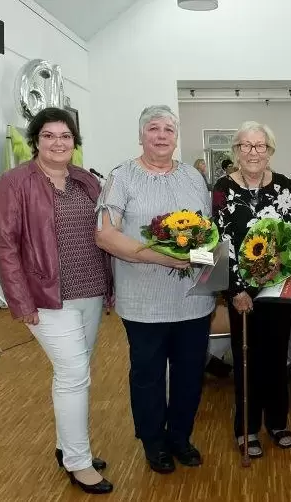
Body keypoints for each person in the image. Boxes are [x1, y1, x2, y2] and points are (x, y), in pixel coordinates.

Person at [0, 107, 113, 494]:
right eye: (48, 135)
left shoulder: (87, 181)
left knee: (76, 373)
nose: (58, 142)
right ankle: (78, 462)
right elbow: (5, 246)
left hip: (90, 290)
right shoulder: (15, 182)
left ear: (74, 141)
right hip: (47, 298)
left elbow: (105, 234)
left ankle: (67, 447)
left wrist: (110, 285)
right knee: (74, 375)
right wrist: (20, 301)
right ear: (35, 141)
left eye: (65, 136)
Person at [95, 105, 214, 474]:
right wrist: (162, 259)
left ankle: (180, 437)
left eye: (168, 129)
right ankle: (153, 441)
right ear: (141, 135)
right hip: (143, 301)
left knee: (190, 372)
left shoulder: (195, 179)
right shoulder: (121, 176)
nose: (161, 136)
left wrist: (205, 270)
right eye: (153, 129)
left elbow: (209, 235)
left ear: (176, 138)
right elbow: (105, 234)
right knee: (147, 374)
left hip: (193, 300)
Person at [213, 121, 291, 458]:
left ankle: (278, 421)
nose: (253, 152)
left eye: (260, 146)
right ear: (236, 151)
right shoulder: (223, 188)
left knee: (277, 358)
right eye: (246, 146)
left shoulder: (284, 186)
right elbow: (220, 243)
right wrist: (236, 290)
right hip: (242, 294)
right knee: (247, 358)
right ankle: (247, 428)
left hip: (279, 287)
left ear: (270, 151)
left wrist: (281, 268)